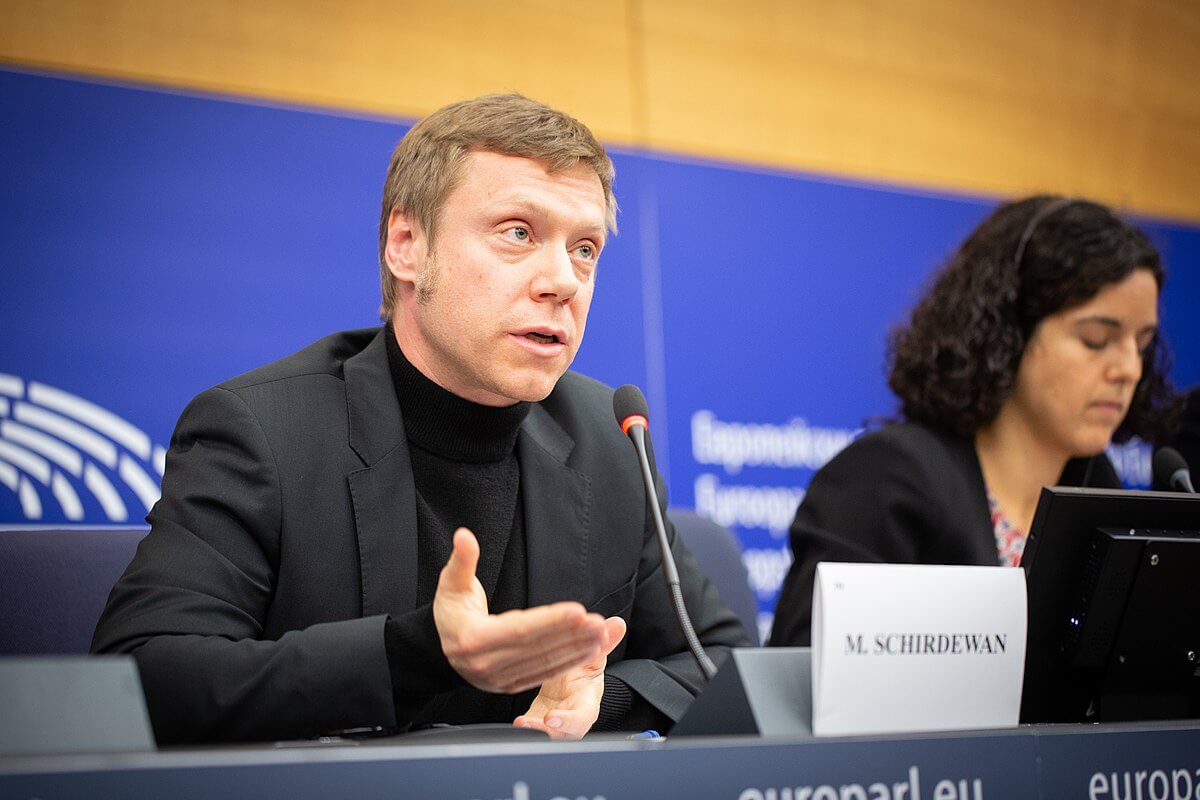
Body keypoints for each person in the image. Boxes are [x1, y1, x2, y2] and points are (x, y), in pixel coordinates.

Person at [92, 94, 747, 744]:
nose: (564, 281)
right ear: (407, 245)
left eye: (584, 249)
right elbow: (139, 673)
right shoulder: (262, 431)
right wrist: (413, 654)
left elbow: (722, 662)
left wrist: (605, 698)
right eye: (518, 232)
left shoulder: (608, 437)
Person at [769, 195, 1179, 647]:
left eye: (1141, 345)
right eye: (1096, 339)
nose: (1129, 370)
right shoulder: (890, 476)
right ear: (1009, 333)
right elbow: (804, 672)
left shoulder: (1096, 483)